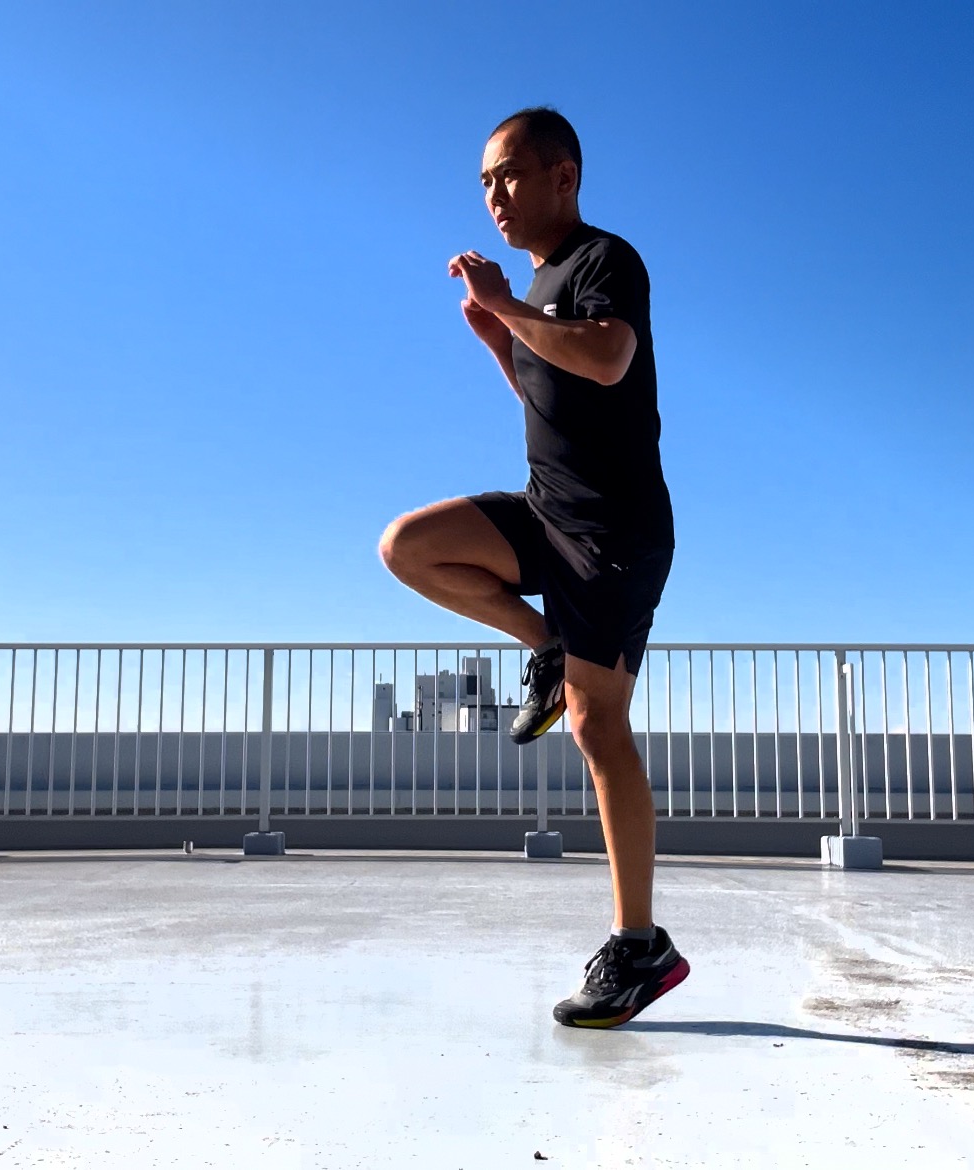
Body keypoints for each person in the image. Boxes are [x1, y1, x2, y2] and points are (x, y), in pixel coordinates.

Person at [379, 107, 688, 1028]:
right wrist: (499, 341)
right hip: (547, 513)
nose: (494, 196)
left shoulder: (602, 259)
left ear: (563, 175)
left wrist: (512, 309)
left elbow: (608, 357)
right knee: (409, 546)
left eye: (508, 174)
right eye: (484, 182)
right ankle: (546, 643)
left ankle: (640, 947)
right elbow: (554, 391)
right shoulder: (542, 288)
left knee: (597, 728)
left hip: (613, 534)